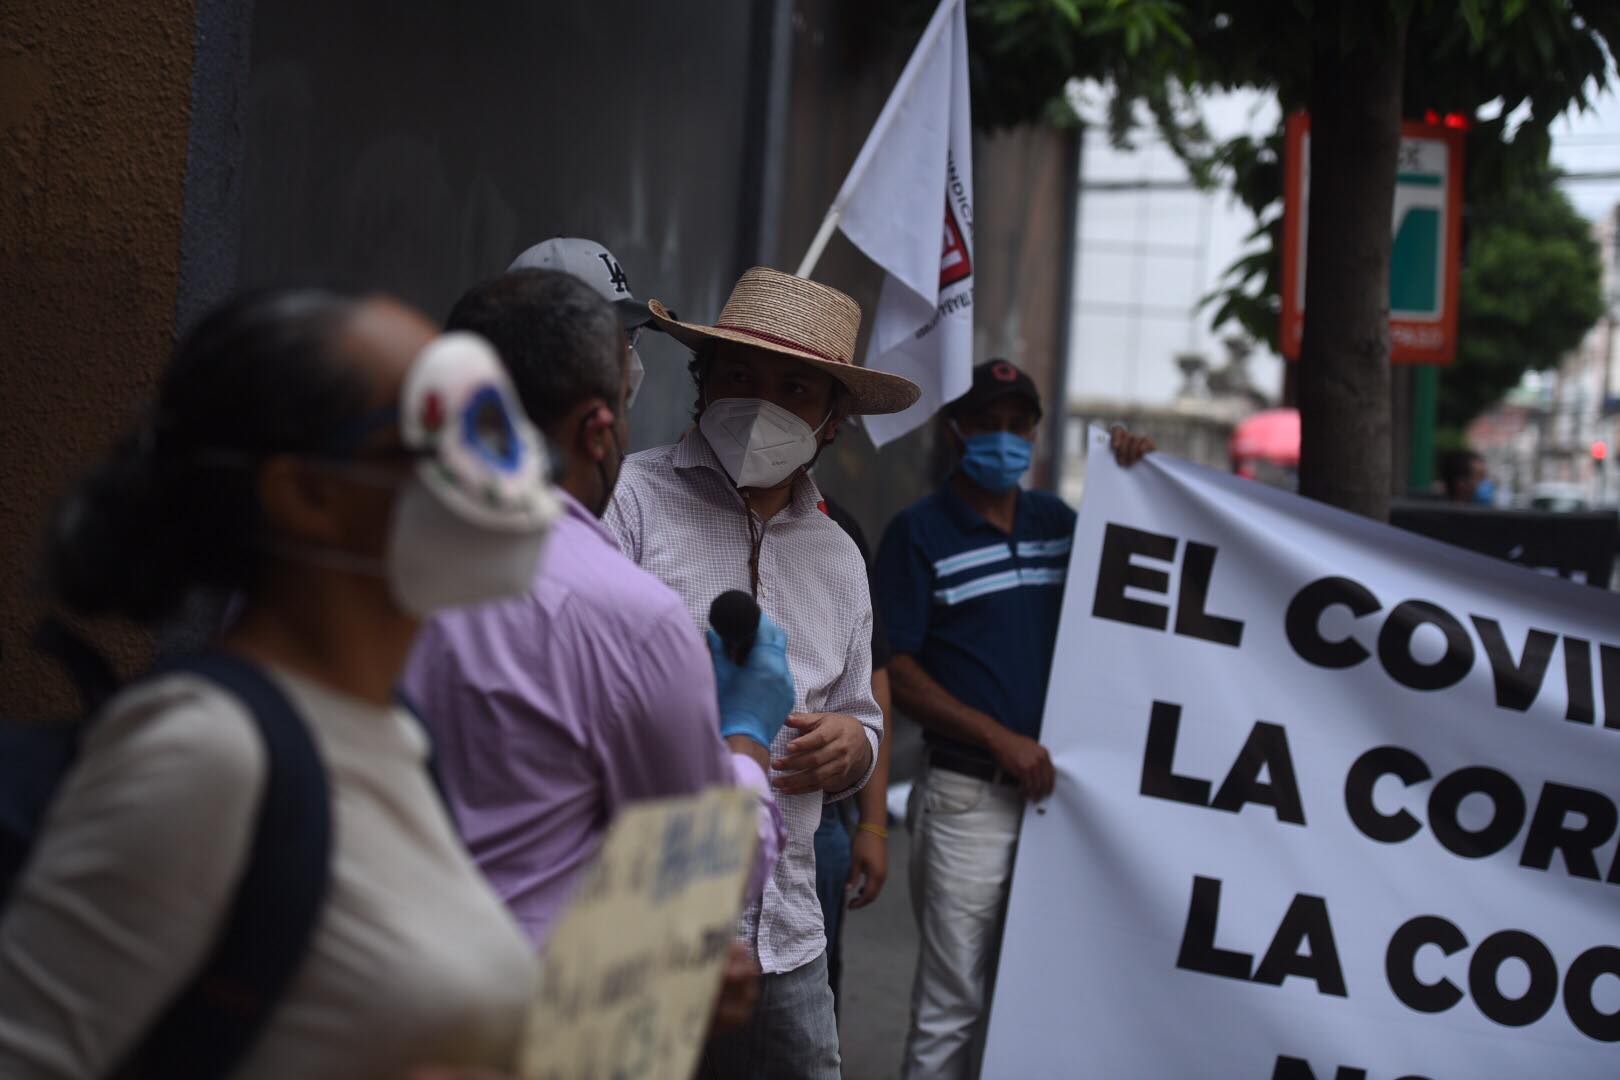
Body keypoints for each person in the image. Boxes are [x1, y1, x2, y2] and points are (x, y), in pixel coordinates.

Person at [0, 288, 556, 1078]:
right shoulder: (206, 750)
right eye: (447, 431)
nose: (506, 473)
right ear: (308, 494)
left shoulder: (396, 733)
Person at [402, 265, 788, 998]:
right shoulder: (629, 618)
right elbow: (700, 875)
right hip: (523, 1022)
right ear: (597, 428)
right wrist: (745, 735)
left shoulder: (330, 572)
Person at [604, 267, 918, 1079]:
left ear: (833, 423)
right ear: (702, 384)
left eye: (794, 389)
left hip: (785, 936)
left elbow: (863, 711)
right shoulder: (627, 504)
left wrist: (856, 745)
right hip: (635, 921)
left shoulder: (839, 555)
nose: (761, 402)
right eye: (740, 375)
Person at [875, 359, 1153, 1079]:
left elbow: (1133, 592)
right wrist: (999, 738)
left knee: (1033, 1001)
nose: (1005, 440)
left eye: (1018, 426)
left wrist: (1138, 477)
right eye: (988, 425)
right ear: (956, 430)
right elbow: (896, 670)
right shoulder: (918, 534)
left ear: (1035, 431)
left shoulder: (1059, 525)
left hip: (1057, 804)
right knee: (951, 1009)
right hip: (969, 799)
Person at [812, 496, 892, 1011]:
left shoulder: (835, 530)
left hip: (816, 821)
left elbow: (872, 687)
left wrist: (874, 824)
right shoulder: (640, 502)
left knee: (809, 996)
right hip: (677, 815)